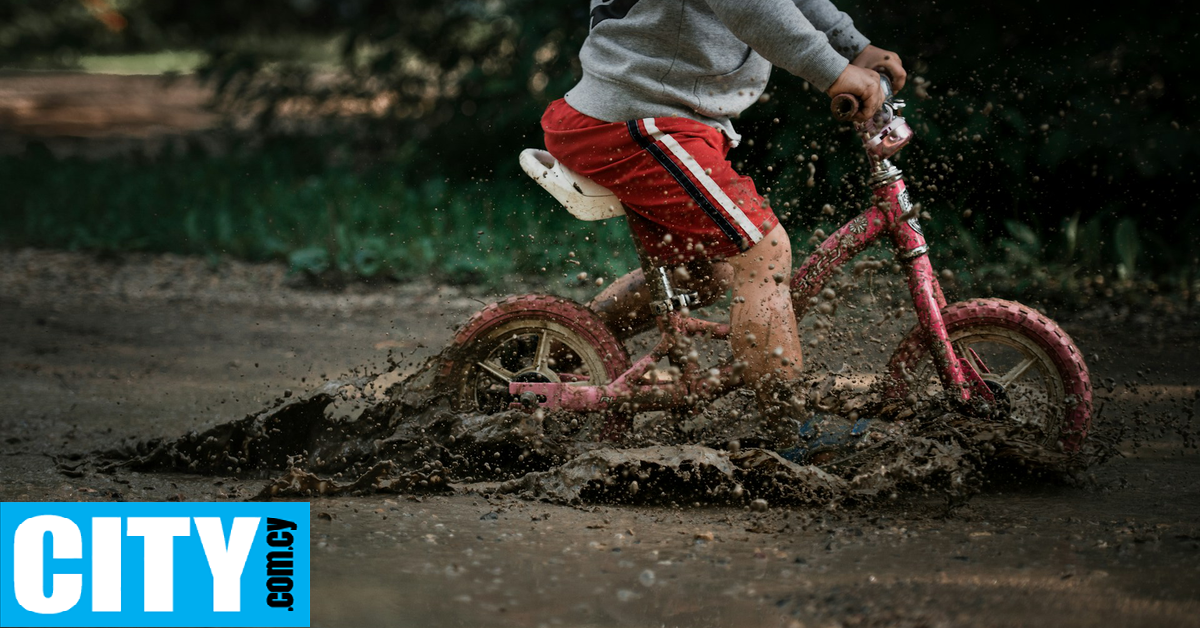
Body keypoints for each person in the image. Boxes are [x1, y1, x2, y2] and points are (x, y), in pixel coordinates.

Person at [541, 0, 906, 454]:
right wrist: (834, 69)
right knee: (763, 251)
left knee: (708, 272)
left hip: (656, 114)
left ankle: (557, 344)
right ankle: (790, 428)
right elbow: (750, 6)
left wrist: (853, 45)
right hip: (638, 121)